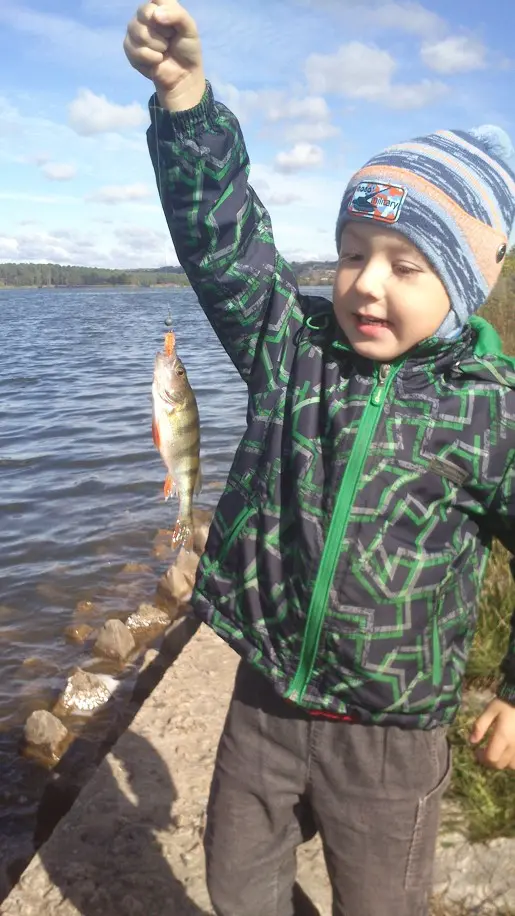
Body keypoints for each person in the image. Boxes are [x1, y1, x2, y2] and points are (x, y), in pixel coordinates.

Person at [124, 3, 515, 914]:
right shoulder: (291, 347)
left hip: (390, 735)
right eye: (350, 254)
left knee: (381, 899)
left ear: (466, 286)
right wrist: (184, 100)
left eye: (406, 265)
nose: (366, 283)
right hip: (264, 697)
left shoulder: (491, 413)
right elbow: (224, 245)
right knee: (238, 880)